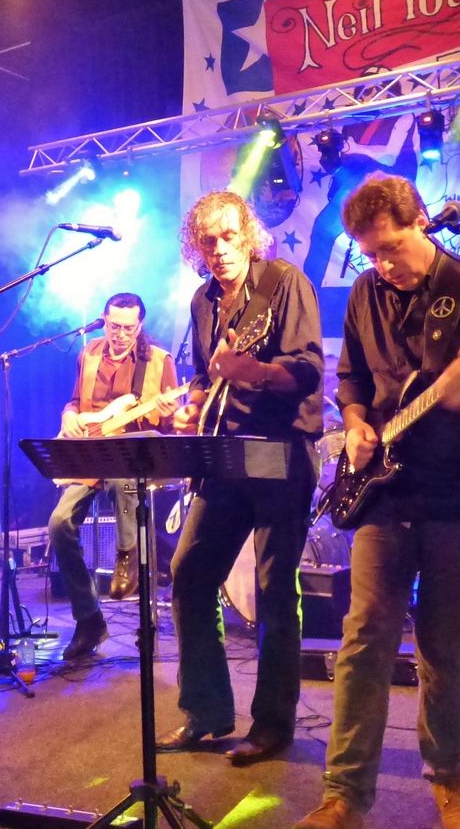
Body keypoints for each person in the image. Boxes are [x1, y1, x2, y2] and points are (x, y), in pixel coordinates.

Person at [294, 173, 460, 829]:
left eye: (391, 248)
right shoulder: (365, 293)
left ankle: (448, 781)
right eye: (370, 253)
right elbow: (352, 378)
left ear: (421, 222)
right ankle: (344, 794)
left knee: (443, 647)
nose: (382, 264)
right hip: (383, 491)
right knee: (364, 637)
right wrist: (355, 422)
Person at [159, 189, 324, 766]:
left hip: (281, 451)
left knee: (276, 590)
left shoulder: (283, 282)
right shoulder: (203, 300)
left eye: (229, 236)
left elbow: (308, 370)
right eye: (208, 241)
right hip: (224, 454)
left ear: (249, 236)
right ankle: (205, 712)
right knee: (189, 572)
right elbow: (205, 378)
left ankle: (273, 725)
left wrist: (253, 370)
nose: (220, 249)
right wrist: (193, 406)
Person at [48, 293, 180, 660]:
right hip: (90, 454)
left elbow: (173, 426)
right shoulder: (88, 353)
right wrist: (68, 415)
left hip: (133, 459)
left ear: (140, 326)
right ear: (103, 320)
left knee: (125, 482)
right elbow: (76, 401)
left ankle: (128, 559)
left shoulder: (159, 361)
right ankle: (89, 619)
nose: (120, 335)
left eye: (128, 328)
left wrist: (170, 411)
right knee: (59, 523)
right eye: (113, 326)